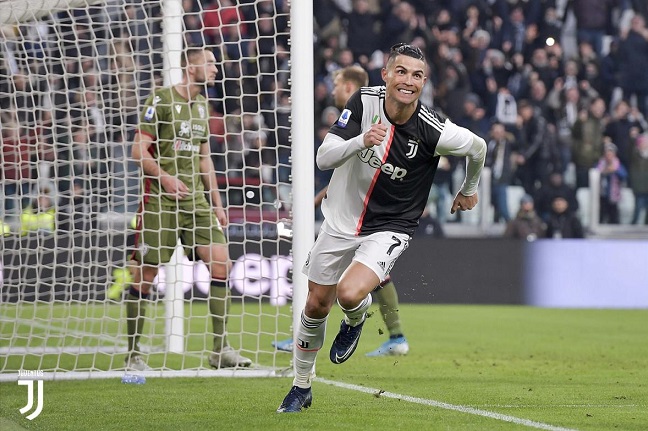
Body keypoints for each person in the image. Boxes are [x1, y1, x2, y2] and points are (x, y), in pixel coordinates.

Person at [277, 43, 486, 413]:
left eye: (417, 75)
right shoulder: (362, 102)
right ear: (386, 74)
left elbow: (478, 146)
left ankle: (356, 317)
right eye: (401, 72)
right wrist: (361, 140)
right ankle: (301, 386)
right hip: (341, 219)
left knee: (350, 293)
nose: (408, 81)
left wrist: (469, 189)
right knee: (314, 304)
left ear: (424, 82)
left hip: (391, 225)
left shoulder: (433, 129)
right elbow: (323, 157)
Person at [126, 47, 251, 371]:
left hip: (196, 201)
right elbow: (137, 149)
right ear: (189, 65)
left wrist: (217, 203)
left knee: (222, 264)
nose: (215, 69)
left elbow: (203, 157)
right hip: (160, 200)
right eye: (208, 63)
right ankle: (134, 354)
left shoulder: (202, 106)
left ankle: (220, 349)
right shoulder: (161, 99)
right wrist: (165, 178)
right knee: (145, 276)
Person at [273, 65, 410, 358]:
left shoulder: (370, 117)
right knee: (358, 278)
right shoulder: (357, 118)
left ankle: (395, 336)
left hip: (371, 217)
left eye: (337, 84)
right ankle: (393, 336)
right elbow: (347, 172)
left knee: (365, 279)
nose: (333, 90)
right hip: (350, 211)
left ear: (349, 87)